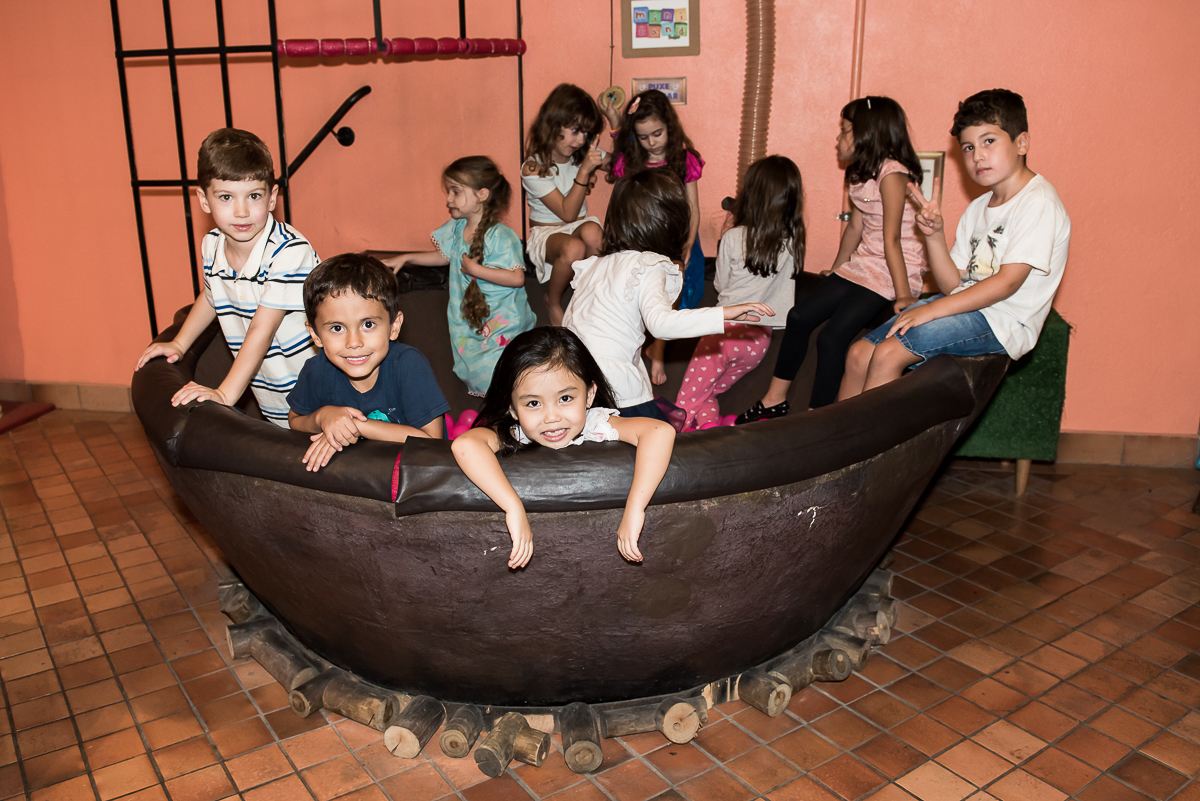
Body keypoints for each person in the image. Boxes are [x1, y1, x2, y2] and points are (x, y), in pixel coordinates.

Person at [839, 89, 1071, 398]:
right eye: (968, 147)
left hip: (1002, 321)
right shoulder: (979, 207)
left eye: (989, 141)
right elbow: (953, 285)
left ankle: (872, 447)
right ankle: (840, 444)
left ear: (1022, 142)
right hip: (968, 307)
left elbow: (1007, 283)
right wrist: (933, 236)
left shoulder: (1038, 202)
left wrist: (931, 311)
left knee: (887, 354)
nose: (977, 155)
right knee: (859, 354)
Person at [737, 96, 927, 423]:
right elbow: (855, 226)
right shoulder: (858, 173)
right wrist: (839, 269)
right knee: (799, 317)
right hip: (865, 263)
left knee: (832, 337)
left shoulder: (893, 174)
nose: (838, 139)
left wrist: (905, 293)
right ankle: (774, 400)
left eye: (845, 131)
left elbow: (892, 238)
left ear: (868, 136)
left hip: (894, 269)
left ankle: (818, 417)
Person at [135, 128, 319, 426]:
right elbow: (212, 296)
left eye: (254, 196)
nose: (242, 211)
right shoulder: (212, 245)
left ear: (272, 197)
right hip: (270, 388)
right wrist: (180, 343)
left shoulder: (289, 252)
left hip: (318, 389)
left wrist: (224, 394)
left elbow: (263, 326)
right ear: (204, 200)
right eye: (226, 197)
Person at [451, 327, 676, 567]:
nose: (552, 417)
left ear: (589, 395)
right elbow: (465, 445)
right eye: (534, 403)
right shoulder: (516, 433)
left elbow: (660, 431)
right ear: (514, 409)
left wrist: (635, 508)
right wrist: (513, 508)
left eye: (565, 398)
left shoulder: (595, 423)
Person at [563, 170, 774, 421]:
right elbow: (661, 324)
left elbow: (570, 324)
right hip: (613, 385)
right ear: (670, 224)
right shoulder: (649, 265)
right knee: (658, 434)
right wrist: (724, 314)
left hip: (571, 378)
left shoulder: (593, 265)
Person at [384, 156, 535, 396]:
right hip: (468, 321)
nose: (448, 199)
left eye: (456, 192)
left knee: (502, 371)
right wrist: (406, 258)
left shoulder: (501, 236)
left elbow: (516, 278)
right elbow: (447, 256)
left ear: (482, 194)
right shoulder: (456, 228)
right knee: (477, 370)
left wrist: (477, 271)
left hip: (502, 323)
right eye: (449, 192)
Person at [675, 156, 805, 430]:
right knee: (707, 393)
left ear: (750, 195)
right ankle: (710, 430)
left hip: (724, 332)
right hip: (759, 340)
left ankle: (670, 438)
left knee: (686, 402)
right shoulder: (793, 242)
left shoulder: (734, 237)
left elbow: (721, 285)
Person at [287, 253, 449, 472]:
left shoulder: (409, 365)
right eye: (337, 328)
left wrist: (355, 426)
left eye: (368, 324)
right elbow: (295, 420)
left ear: (394, 326)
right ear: (315, 335)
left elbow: (432, 442)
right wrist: (322, 417)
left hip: (411, 479)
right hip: (356, 480)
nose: (354, 342)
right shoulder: (316, 370)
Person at [601, 89, 706, 384]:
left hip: (677, 237)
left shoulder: (683, 159)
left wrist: (687, 243)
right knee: (637, 292)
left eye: (657, 134)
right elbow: (623, 206)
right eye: (643, 137)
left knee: (676, 288)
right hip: (642, 239)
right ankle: (634, 347)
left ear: (669, 127)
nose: (651, 143)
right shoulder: (633, 159)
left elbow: (694, 208)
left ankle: (657, 348)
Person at [521, 84, 606, 326]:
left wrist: (614, 120)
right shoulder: (533, 167)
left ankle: (586, 300)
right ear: (553, 124)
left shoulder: (581, 155)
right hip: (547, 233)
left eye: (586, 133)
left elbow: (620, 162)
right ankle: (553, 300)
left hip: (579, 225)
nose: (581, 140)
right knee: (574, 248)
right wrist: (585, 172)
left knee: (593, 233)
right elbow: (568, 213)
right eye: (575, 131)